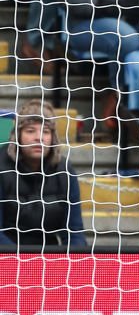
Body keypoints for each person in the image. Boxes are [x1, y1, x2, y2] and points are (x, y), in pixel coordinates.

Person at [0, 99, 85, 248]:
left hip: (50, 256)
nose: (38, 138)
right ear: (17, 135)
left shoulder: (65, 170)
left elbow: (75, 233)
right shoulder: (2, 166)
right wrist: (24, 263)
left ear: (53, 137)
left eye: (45, 131)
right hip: (7, 255)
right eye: (30, 130)